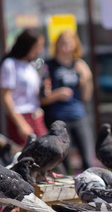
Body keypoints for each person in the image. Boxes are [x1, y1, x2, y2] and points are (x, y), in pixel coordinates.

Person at [41, 30, 95, 172]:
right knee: (62, 161)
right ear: (57, 45)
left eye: (69, 44)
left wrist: (86, 78)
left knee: (88, 158)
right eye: (63, 44)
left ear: (75, 45)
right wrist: (57, 94)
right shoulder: (49, 66)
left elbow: (86, 97)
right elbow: (42, 98)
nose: (66, 48)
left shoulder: (79, 65)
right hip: (58, 117)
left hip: (78, 115)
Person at [0, 29, 48, 146]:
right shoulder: (10, 64)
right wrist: (20, 123)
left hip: (36, 115)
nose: (40, 50)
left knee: (44, 154)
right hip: (20, 116)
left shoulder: (31, 65)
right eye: (38, 46)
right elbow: (6, 97)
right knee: (26, 158)